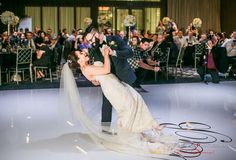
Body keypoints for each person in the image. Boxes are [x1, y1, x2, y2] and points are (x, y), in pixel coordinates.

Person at [70, 48, 163, 134]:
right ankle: (128, 134)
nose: (84, 52)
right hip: (112, 88)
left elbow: (96, 80)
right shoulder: (87, 68)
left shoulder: (86, 67)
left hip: (115, 84)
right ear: (79, 61)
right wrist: (106, 55)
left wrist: (97, 80)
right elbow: (106, 70)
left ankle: (149, 125)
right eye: (81, 53)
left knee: (136, 99)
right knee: (128, 108)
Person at [84, 28, 136, 128]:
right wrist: (94, 79)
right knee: (106, 104)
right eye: (89, 41)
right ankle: (105, 130)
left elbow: (130, 52)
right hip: (108, 80)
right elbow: (94, 66)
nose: (91, 43)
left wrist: (114, 53)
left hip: (124, 76)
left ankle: (131, 127)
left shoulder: (115, 39)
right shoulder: (93, 48)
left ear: (98, 34)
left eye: (92, 39)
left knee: (130, 104)